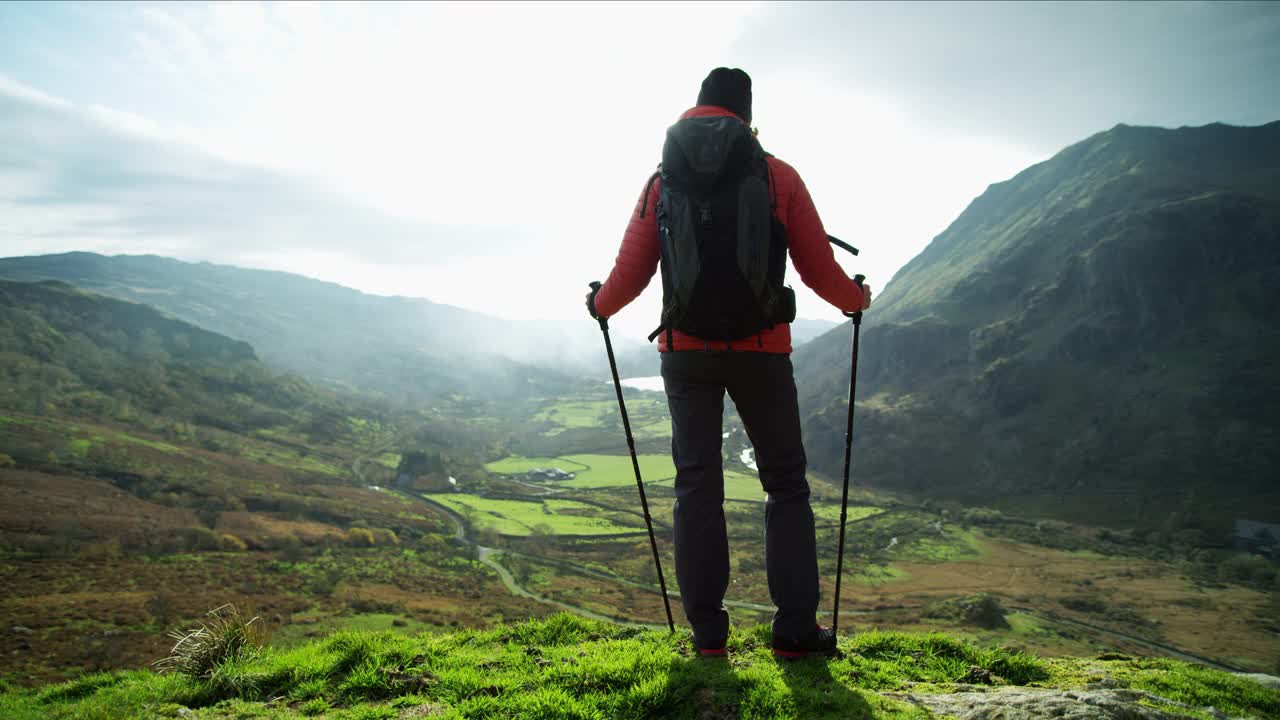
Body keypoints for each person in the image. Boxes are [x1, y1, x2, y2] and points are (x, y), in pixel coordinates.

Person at [586, 67, 872, 658]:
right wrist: (857, 300)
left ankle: (708, 635)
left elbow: (630, 275)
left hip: (685, 355)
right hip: (763, 353)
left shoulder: (661, 182)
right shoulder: (778, 177)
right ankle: (795, 631)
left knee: (697, 487)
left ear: (696, 109)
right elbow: (819, 271)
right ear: (747, 116)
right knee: (786, 486)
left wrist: (598, 303)